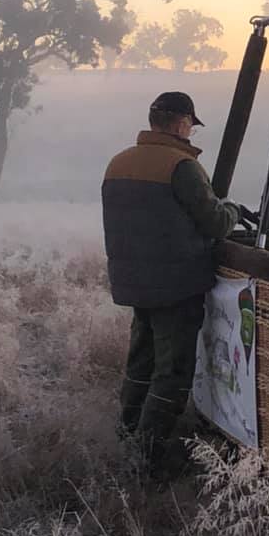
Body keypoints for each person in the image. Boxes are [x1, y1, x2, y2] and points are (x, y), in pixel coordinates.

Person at [101, 91, 239, 477]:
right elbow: (216, 222)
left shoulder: (118, 163)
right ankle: (148, 459)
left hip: (134, 283)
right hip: (176, 285)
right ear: (181, 123)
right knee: (173, 373)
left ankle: (127, 436)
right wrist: (232, 209)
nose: (191, 132)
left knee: (140, 364)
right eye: (191, 124)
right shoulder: (181, 166)